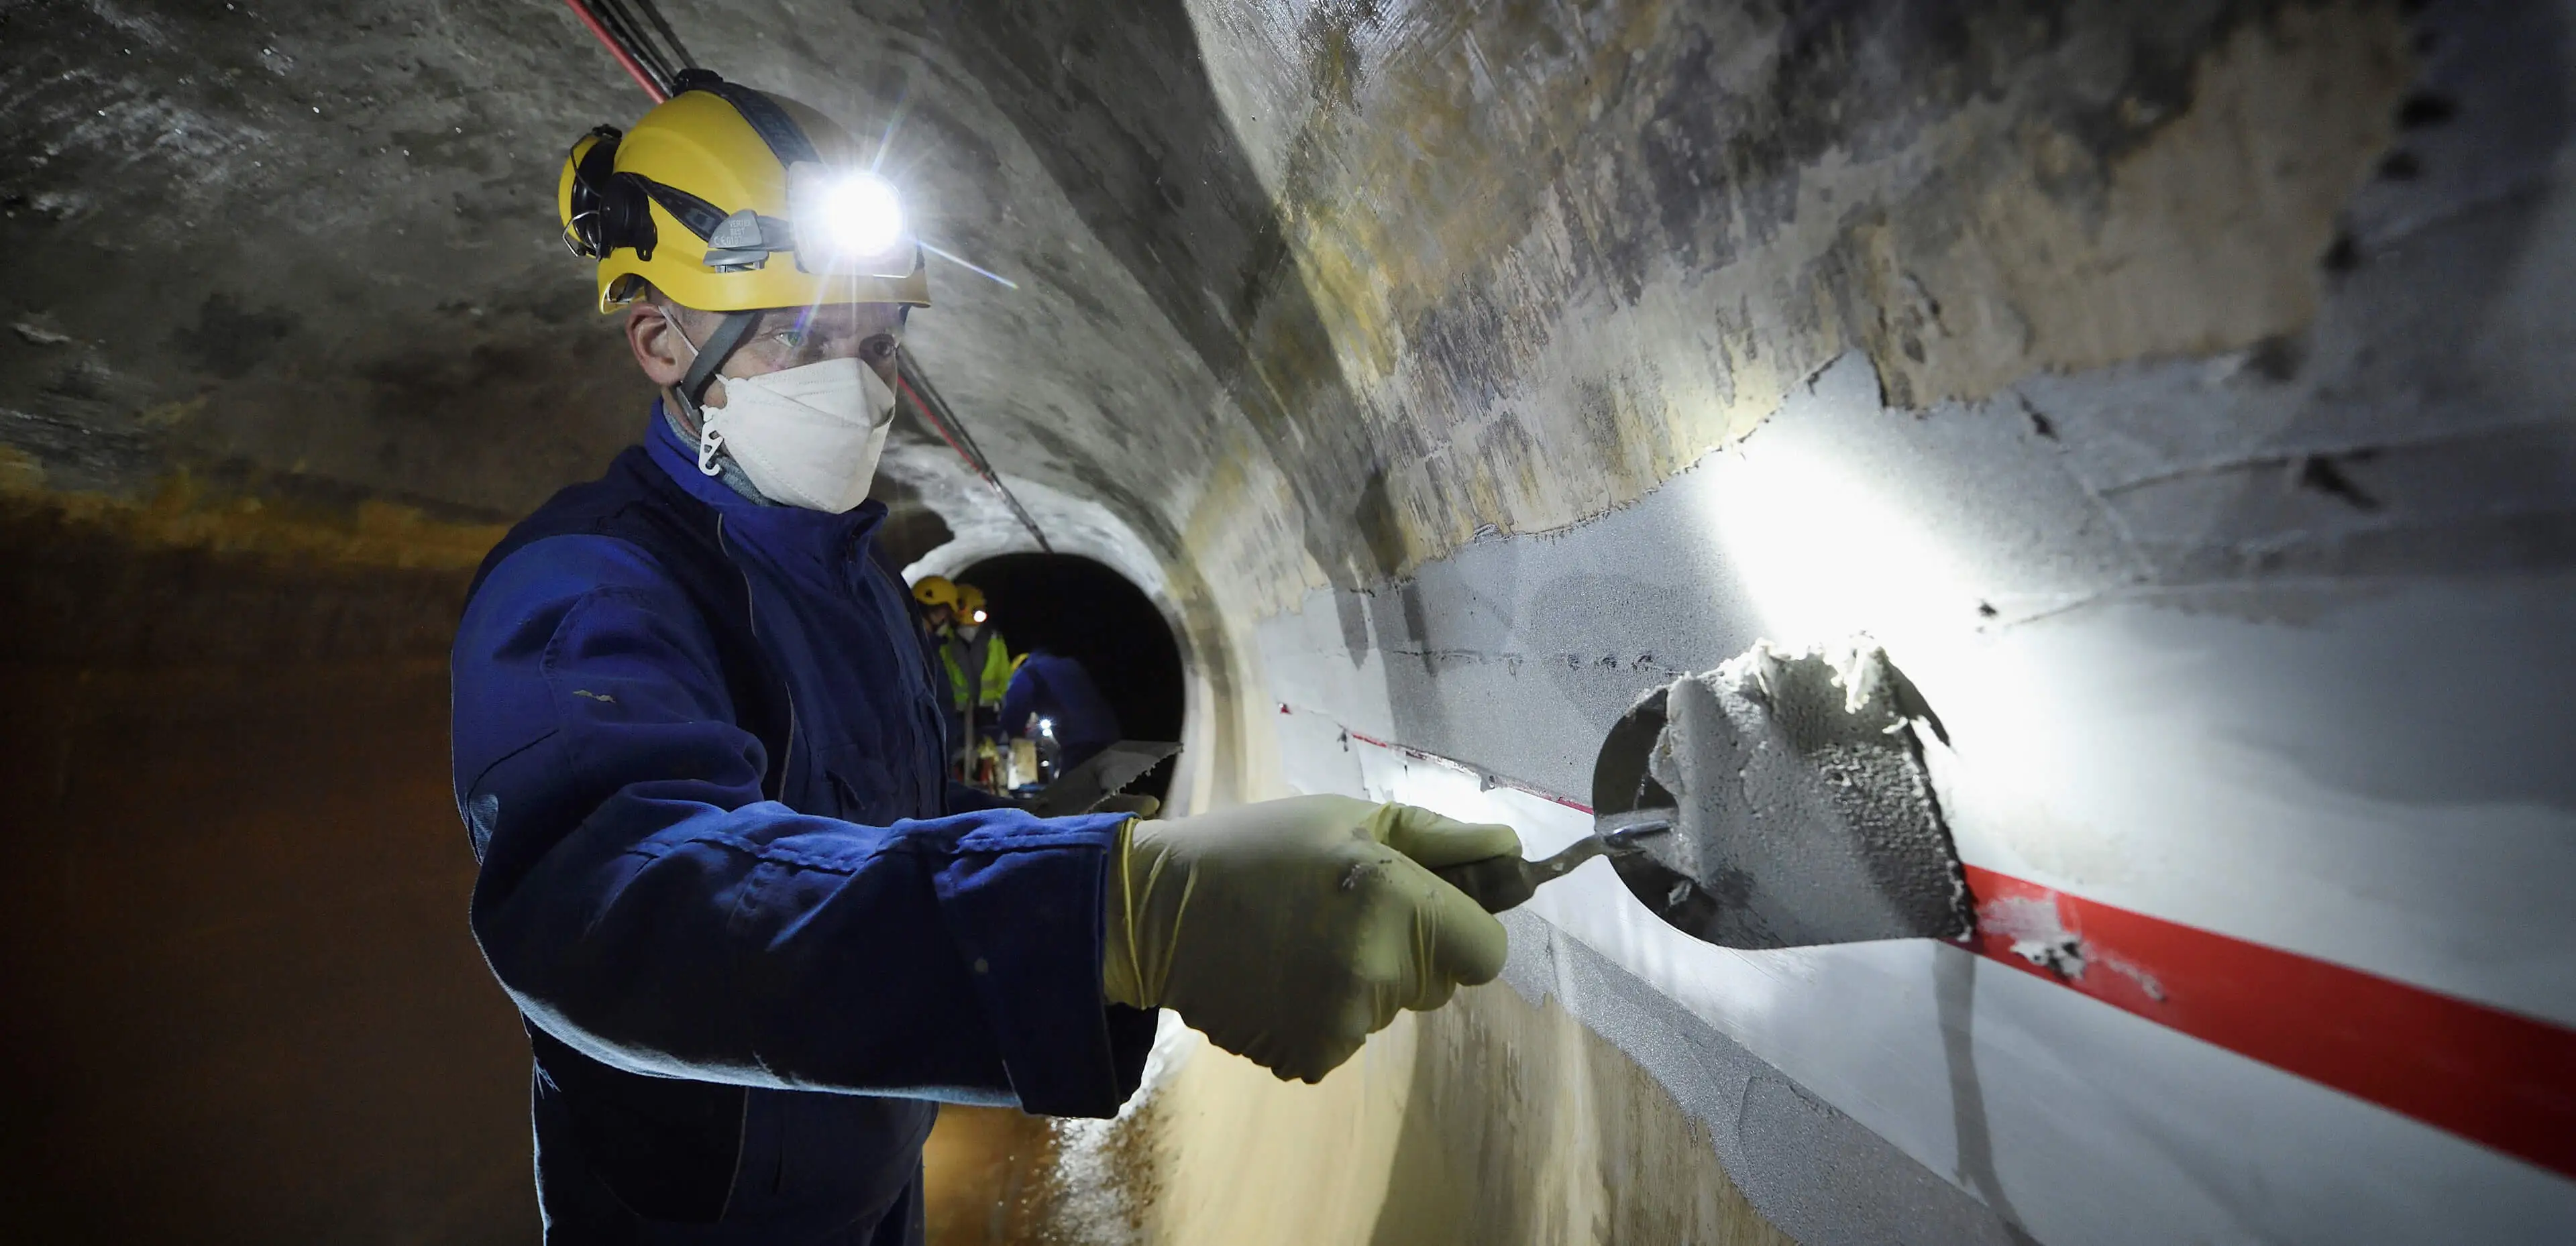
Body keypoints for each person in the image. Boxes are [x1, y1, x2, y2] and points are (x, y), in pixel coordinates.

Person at [447, 70, 1521, 1245]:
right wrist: (1107, 914)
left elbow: (894, 812)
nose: (861, 379)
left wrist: (1129, 858)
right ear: (660, 338)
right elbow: (631, 905)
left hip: (874, 1183)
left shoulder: (858, 586)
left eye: (878, 337)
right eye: (808, 335)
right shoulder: (587, 588)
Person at [1000, 648, 1122, 772]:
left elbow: (1015, 710)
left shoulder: (1028, 671)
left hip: (1080, 740)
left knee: (1070, 787)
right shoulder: (1070, 665)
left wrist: (1007, 737)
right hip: (1110, 735)